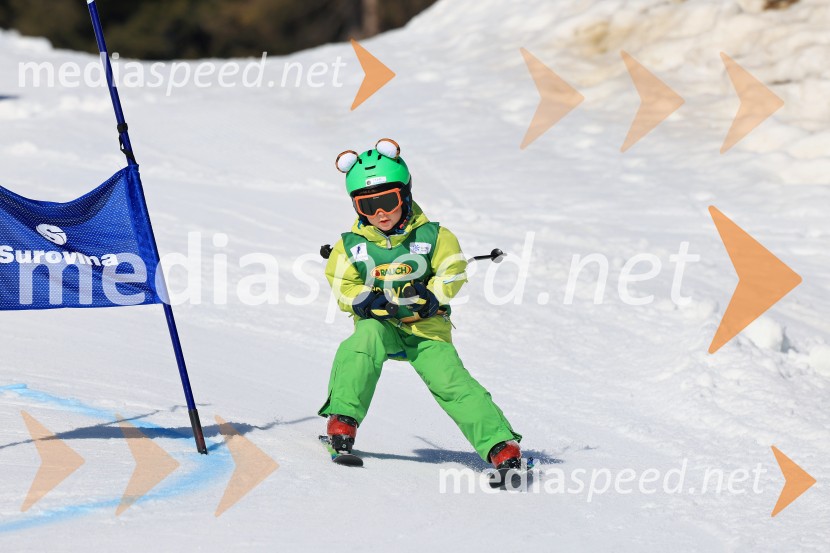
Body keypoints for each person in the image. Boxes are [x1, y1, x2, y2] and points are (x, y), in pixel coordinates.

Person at [319, 138, 522, 470]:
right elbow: (342, 282)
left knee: (450, 381)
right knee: (360, 345)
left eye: (388, 200)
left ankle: (499, 444)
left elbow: (453, 268)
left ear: (406, 194)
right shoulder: (350, 246)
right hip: (381, 324)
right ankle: (342, 420)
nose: (380, 213)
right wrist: (363, 300)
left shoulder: (433, 237)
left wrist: (435, 296)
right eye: (368, 206)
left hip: (425, 328)